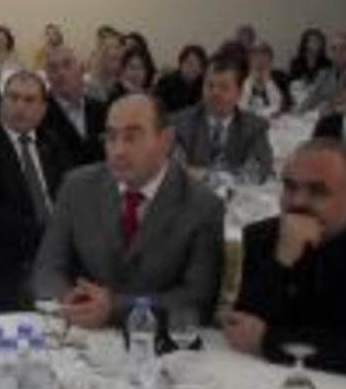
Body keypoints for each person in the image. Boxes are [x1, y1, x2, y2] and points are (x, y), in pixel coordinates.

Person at [225, 139, 346, 389]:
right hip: (264, 384)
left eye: (318, 191)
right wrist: (281, 262)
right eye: (290, 187)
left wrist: (270, 341)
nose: (297, 201)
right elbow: (240, 328)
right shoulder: (262, 237)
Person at [33, 94, 224, 327]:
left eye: (132, 138)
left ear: (166, 140)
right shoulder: (77, 187)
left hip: (158, 339)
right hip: (81, 332)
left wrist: (117, 308)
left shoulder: (203, 206)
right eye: (111, 137)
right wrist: (68, 299)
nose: (118, 151)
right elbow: (48, 266)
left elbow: (197, 299)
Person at [0, 71, 71, 314]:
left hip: (53, 258)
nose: (20, 106)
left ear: (43, 109)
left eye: (29, 100)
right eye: (13, 98)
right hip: (3, 266)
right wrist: (51, 235)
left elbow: (68, 198)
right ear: (2, 103)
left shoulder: (51, 144)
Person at [173, 53, 274, 183]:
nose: (215, 93)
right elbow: (175, 171)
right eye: (210, 86)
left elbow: (259, 171)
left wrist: (207, 176)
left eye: (224, 87)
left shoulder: (254, 126)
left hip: (239, 195)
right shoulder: (180, 123)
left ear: (239, 93)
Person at [41, 46, 106, 167]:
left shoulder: (100, 109)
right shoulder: (41, 115)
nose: (61, 73)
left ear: (82, 70)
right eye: (53, 68)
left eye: (67, 65)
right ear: (48, 77)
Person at [297, 31, 346, 114]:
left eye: (345, 48)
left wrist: (332, 107)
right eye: (334, 49)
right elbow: (309, 101)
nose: (339, 53)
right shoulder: (324, 74)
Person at [240, 41, 293, 118]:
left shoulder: (280, 77)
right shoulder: (241, 79)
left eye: (264, 57)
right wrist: (250, 81)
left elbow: (283, 106)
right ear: (248, 61)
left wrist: (268, 82)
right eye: (255, 57)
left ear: (271, 60)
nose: (260, 61)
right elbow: (240, 107)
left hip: (276, 121)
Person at [153, 45, 207, 114]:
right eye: (190, 63)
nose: (194, 68)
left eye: (198, 65)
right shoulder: (166, 83)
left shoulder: (204, 85)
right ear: (181, 64)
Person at [85, 32, 124, 103]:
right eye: (113, 59)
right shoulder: (90, 84)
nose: (118, 51)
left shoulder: (121, 82)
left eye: (119, 47)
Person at [0, 25, 21, 90]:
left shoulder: (16, 55)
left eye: (3, 38)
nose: (1, 41)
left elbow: (20, 72)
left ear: (8, 40)